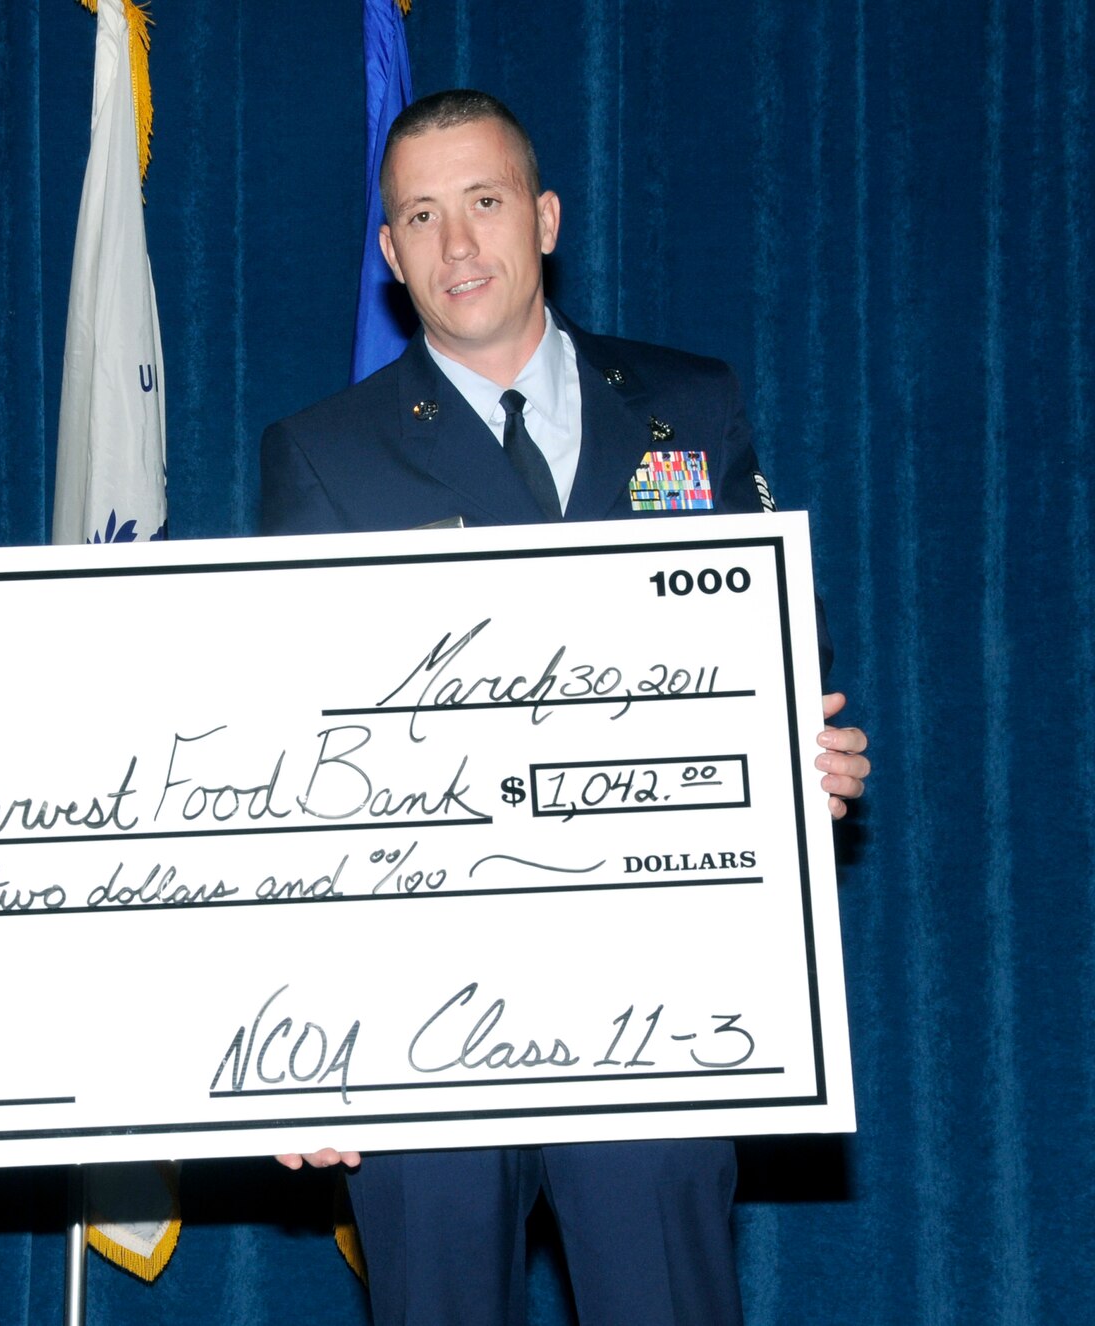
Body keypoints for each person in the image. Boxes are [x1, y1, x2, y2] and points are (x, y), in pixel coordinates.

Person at [261, 91, 871, 1326]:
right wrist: (303, 1034)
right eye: (418, 217)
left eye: (481, 203)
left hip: (654, 1001)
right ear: (388, 254)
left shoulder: (690, 403)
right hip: (418, 1017)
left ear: (541, 217)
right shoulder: (320, 451)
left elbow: (737, 656)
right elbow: (293, 762)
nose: (456, 245)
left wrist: (787, 760)